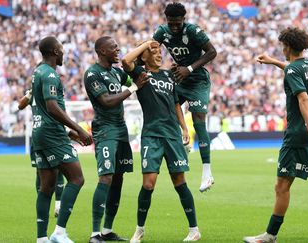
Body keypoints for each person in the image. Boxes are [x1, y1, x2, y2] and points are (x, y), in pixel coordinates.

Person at [243, 27, 308, 243]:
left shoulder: (293, 70)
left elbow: (303, 98)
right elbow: (292, 69)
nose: (282, 49)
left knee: (282, 185)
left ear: (288, 46)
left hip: (299, 133)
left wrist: (307, 128)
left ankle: (270, 235)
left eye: (282, 46)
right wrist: (273, 62)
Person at [122, 40, 200, 242]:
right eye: (153, 51)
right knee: (148, 184)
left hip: (172, 135)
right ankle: (139, 229)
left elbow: (176, 105)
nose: (158, 54)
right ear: (144, 56)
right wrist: (146, 43)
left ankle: (194, 229)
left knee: (180, 182)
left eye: (159, 51)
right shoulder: (140, 73)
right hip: (152, 135)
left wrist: (184, 127)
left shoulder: (167, 75)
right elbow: (125, 59)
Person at [84, 36, 149, 243]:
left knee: (118, 179)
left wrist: (142, 53)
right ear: (102, 51)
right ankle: (94, 234)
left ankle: (107, 230)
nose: (118, 49)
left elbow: (134, 77)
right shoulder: (93, 74)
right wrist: (133, 88)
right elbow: (106, 101)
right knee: (106, 177)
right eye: (113, 47)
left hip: (121, 130)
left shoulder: (115, 72)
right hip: (105, 131)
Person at [31, 36, 93, 243]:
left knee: (47, 187)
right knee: (77, 179)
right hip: (51, 134)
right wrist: (79, 129)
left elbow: (42, 110)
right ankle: (59, 233)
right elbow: (52, 107)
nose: (64, 52)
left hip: (40, 133)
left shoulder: (37, 72)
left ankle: (41, 238)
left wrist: (68, 133)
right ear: (56, 52)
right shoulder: (49, 75)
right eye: (62, 48)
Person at [153, 2, 217, 192]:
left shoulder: (193, 31)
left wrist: (189, 68)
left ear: (184, 19)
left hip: (197, 79)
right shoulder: (162, 32)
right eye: (170, 23)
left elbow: (212, 52)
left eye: (177, 23)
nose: (174, 27)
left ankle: (207, 173)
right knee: (166, 109)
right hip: (179, 77)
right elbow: (151, 48)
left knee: (198, 119)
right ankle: (184, 141)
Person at [18, 89, 65, 218]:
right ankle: (42, 203)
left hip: (53, 135)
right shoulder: (33, 93)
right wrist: (29, 94)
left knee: (59, 168)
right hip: (39, 137)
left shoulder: (52, 92)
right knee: (40, 171)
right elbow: (20, 105)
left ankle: (58, 205)